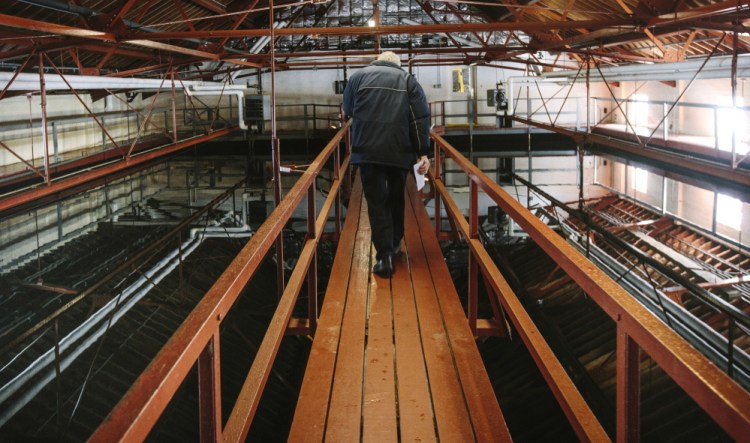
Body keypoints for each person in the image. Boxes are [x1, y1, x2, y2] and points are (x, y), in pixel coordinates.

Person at [343, 51, 431, 277]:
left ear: (378, 60)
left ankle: (384, 258)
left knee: (376, 202)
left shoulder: (357, 78)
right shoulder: (408, 81)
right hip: (398, 152)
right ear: (398, 65)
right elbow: (419, 119)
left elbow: (349, 111)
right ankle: (394, 244)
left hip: (367, 151)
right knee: (395, 198)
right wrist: (422, 152)